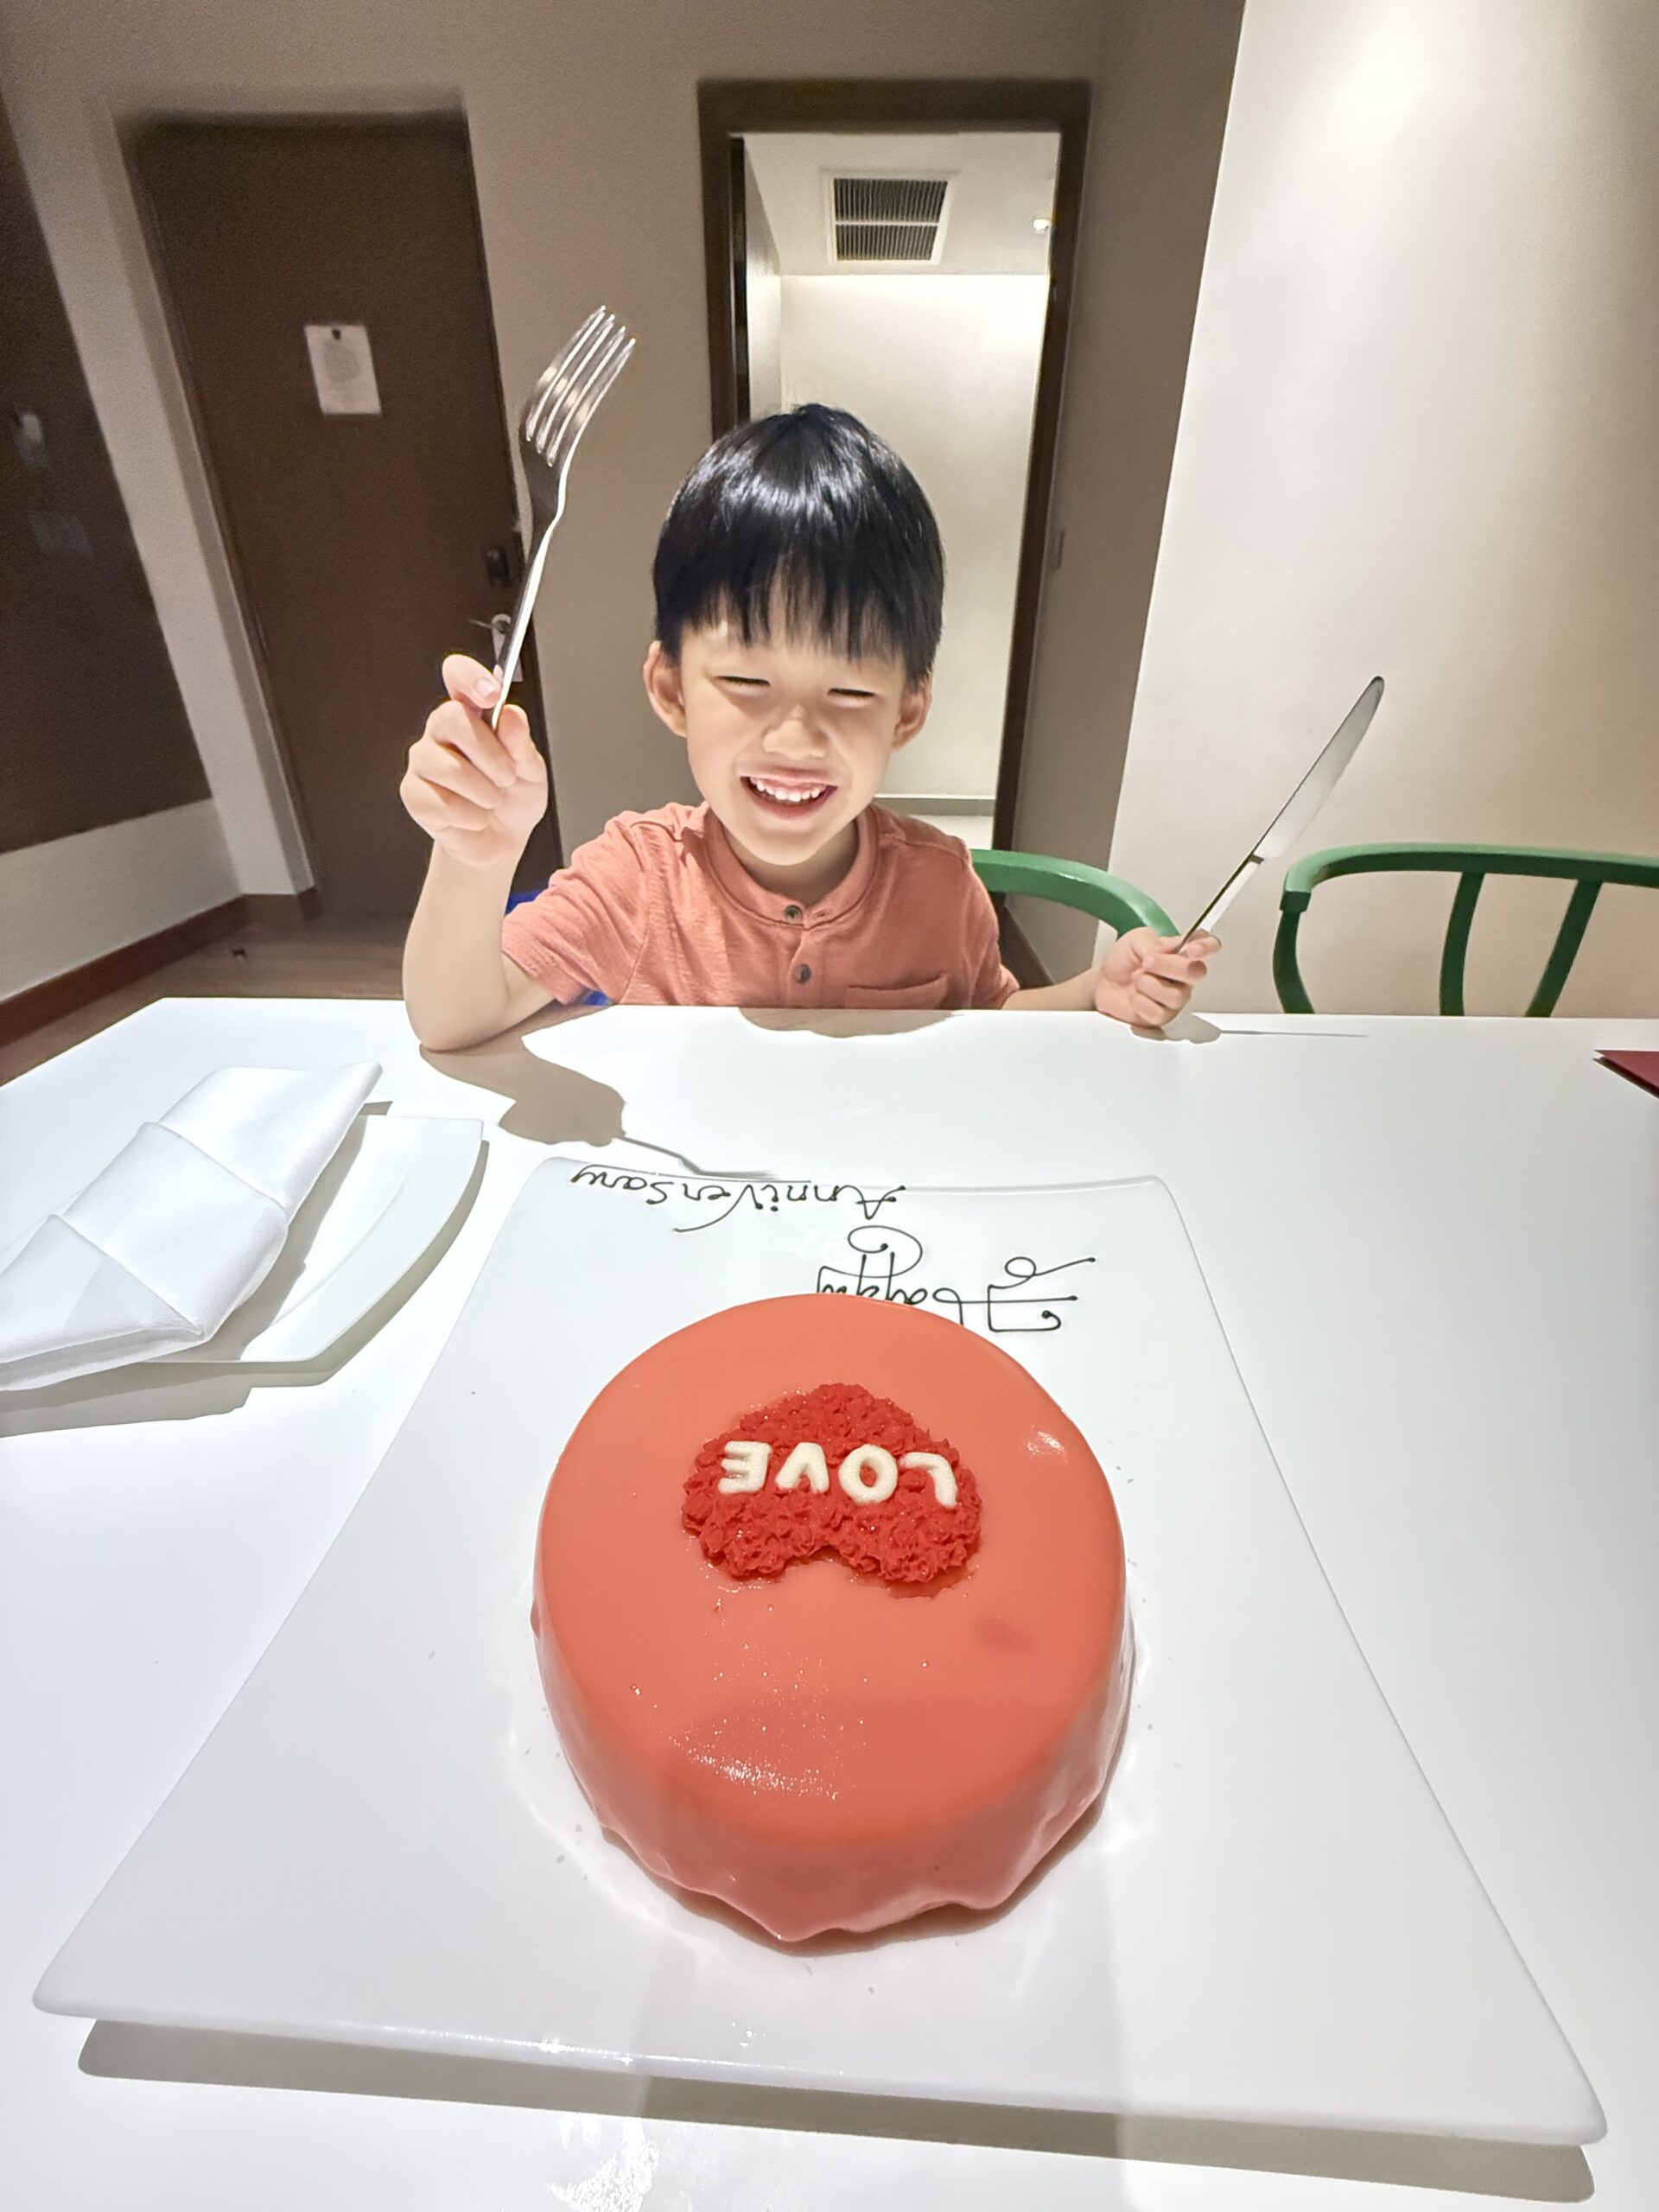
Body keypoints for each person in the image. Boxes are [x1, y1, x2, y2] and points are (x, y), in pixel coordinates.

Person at [400, 404, 1216, 1050]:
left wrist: (1091, 993)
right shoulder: (637, 879)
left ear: (907, 710)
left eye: (851, 692)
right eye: (747, 681)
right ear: (671, 688)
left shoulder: (941, 884)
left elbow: (988, 1024)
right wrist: (478, 854)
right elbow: (454, 1019)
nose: (795, 738)